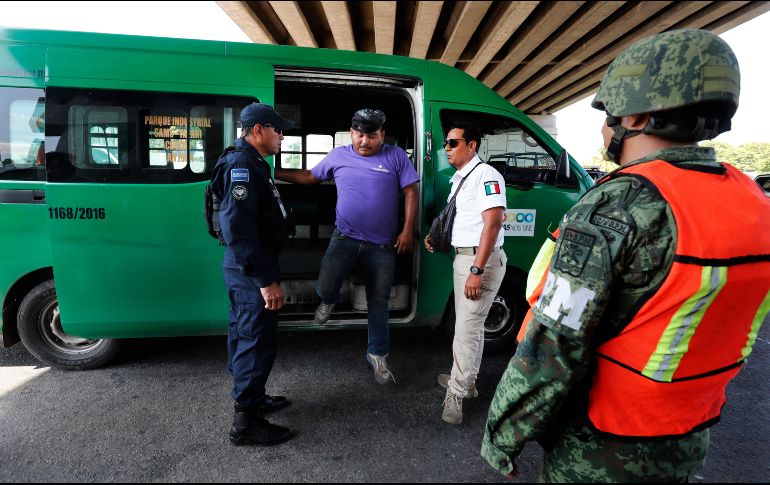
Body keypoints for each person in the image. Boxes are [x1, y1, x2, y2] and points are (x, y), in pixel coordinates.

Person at [481, 29, 770, 482]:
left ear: (634, 116)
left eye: (607, 114)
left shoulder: (622, 204)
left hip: (603, 445)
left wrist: (504, 434)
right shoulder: (752, 200)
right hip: (687, 434)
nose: (603, 127)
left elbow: (555, 346)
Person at [274, 108, 420, 384]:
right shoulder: (338, 155)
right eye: (360, 135)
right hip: (345, 239)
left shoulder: (396, 156)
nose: (365, 141)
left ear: (382, 135)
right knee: (325, 286)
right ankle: (328, 301)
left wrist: (407, 230)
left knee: (379, 302)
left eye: (372, 136)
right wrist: (272, 172)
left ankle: (377, 355)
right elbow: (309, 177)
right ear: (352, 133)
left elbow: (411, 191)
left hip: (382, 246)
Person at [210, 102, 295, 447]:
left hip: (247, 263)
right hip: (250, 267)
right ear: (258, 130)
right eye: (277, 130)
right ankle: (245, 423)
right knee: (254, 339)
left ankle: (254, 397)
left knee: (245, 333)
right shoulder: (243, 165)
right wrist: (265, 281)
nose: (281, 136)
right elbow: (238, 228)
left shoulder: (252, 161)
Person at [424, 121, 507, 425]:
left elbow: (493, 224)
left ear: (472, 146)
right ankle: (467, 382)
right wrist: (439, 240)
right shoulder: (462, 177)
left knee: (465, 331)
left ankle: (457, 393)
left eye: (453, 143)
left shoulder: (486, 176)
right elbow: (464, 221)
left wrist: (476, 269)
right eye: (445, 143)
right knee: (470, 328)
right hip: (465, 260)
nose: (446, 148)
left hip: (478, 263)